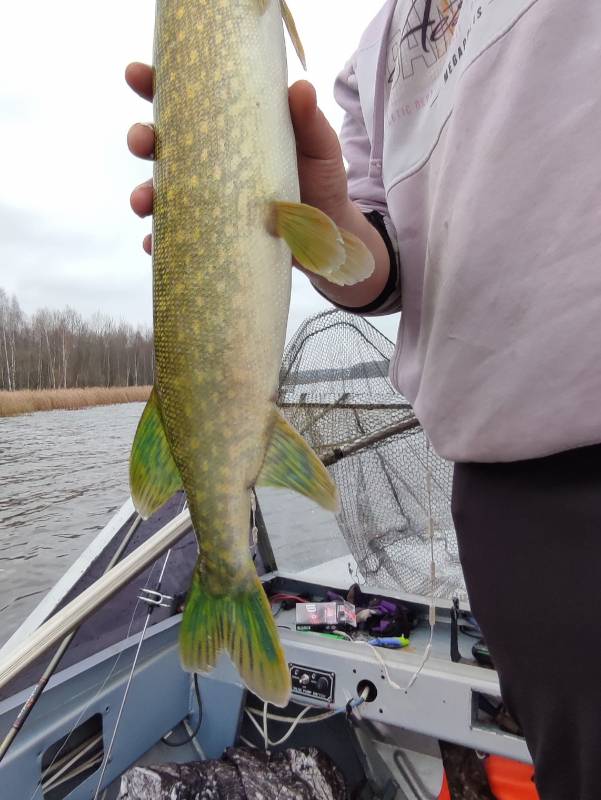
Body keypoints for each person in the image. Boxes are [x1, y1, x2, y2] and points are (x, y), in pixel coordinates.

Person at [126, 2, 601, 797]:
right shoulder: (375, 49)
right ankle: (226, 577)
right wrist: (334, 218)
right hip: (507, 505)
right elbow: (378, 264)